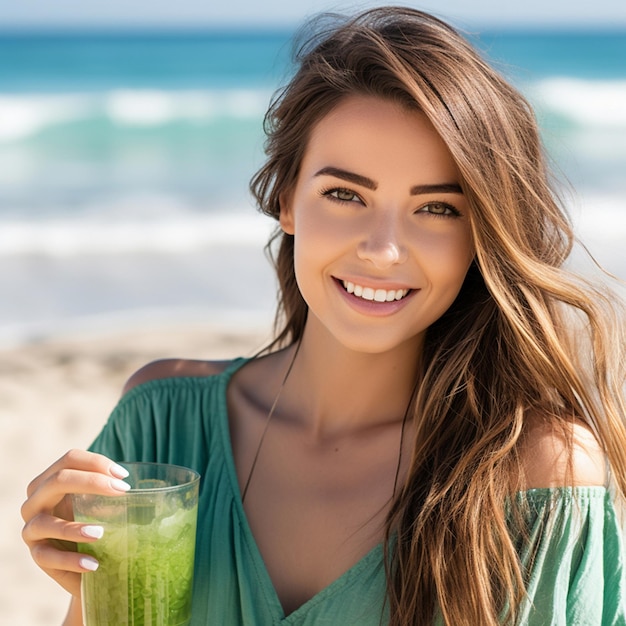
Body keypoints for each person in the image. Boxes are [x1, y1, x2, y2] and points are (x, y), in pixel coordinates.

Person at [21, 7, 626, 625]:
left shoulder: (538, 478)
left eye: (438, 209)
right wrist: (85, 595)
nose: (383, 248)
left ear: (481, 236)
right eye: (344, 195)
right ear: (287, 201)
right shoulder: (161, 426)